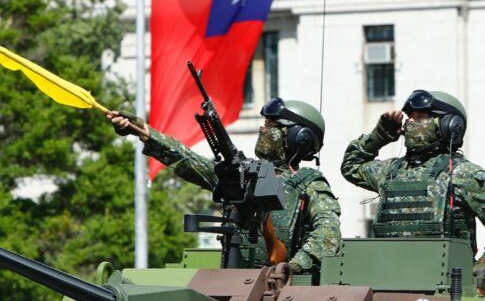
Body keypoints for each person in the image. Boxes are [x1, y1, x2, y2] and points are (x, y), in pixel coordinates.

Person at [108, 98, 341, 275]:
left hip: (283, 291)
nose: (263, 129)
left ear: (298, 138)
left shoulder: (309, 183)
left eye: (271, 124)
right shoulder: (244, 173)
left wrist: (292, 267)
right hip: (233, 282)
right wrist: (145, 133)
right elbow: (189, 161)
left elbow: (328, 235)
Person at [341, 89, 485, 294]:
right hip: (386, 285)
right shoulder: (389, 171)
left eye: (420, 118)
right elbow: (350, 166)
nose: (411, 124)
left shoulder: (461, 173)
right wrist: (379, 136)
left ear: (448, 125)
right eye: (410, 118)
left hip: (445, 289)